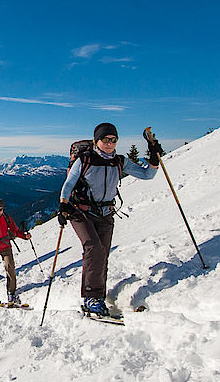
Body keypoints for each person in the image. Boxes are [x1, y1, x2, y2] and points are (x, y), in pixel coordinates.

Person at [58, 122, 161, 317]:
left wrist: (154, 158)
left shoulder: (120, 161)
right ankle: (92, 297)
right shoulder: (85, 160)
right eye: (105, 139)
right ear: (97, 140)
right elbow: (68, 183)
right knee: (93, 249)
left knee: (101, 254)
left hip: (106, 213)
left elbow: (148, 175)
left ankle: (97, 295)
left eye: (113, 140)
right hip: (80, 212)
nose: (110, 143)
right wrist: (63, 204)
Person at [0, 198, 31, 305]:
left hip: (5, 246)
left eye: (1, 209)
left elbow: (15, 230)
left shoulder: (7, 218)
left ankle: (11, 293)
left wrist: (25, 236)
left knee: (10, 268)